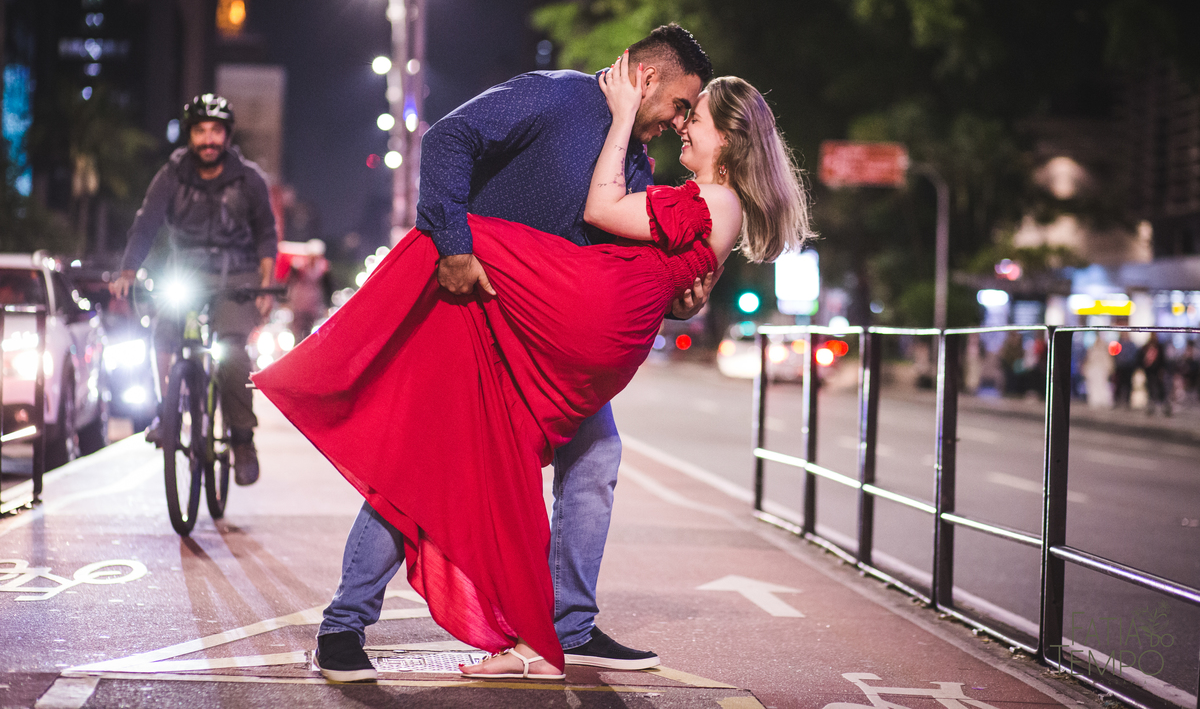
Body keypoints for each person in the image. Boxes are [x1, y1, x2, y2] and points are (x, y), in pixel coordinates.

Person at [255, 54, 812, 680]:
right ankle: (345, 622)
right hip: (489, 314)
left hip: (553, 333)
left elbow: (648, 260)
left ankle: (569, 626)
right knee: (431, 460)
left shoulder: (635, 158)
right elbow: (447, 140)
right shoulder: (555, 98)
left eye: (693, 115)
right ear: (649, 80)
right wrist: (458, 248)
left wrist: (681, 295)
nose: (679, 123)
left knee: (596, 456)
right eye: (681, 105)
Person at [110, 94, 277, 486]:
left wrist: (265, 286)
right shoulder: (171, 174)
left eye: (216, 131)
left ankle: (241, 438)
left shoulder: (249, 178)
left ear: (227, 135)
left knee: (233, 353)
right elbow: (146, 222)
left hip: (236, 274)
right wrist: (129, 270)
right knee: (163, 331)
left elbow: (267, 234)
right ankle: (165, 412)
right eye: (200, 131)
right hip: (184, 271)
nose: (208, 139)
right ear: (190, 135)